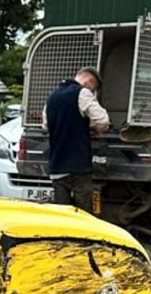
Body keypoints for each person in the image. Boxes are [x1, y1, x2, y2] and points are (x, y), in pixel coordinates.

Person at [44, 68, 110, 211]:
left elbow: (46, 125)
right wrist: (94, 129)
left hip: (56, 166)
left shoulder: (52, 96)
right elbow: (103, 121)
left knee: (62, 213)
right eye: (94, 89)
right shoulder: (82, 92)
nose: (92, 92)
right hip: (78, 165)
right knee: (84, 213)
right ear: (90, 82)